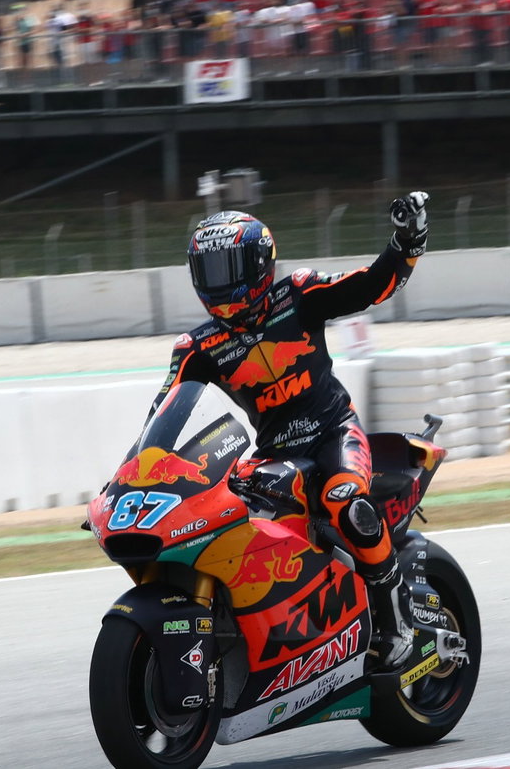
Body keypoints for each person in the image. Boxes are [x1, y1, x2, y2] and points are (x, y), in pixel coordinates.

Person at [146, 192, 432, 668]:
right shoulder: (199, 346)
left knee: (344, 501)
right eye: (212, 272)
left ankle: (396, 618)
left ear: (261, 264)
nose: (222, 283)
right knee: (232, 517)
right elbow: (164, 411)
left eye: (231, 268)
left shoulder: (298, 294)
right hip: (274, 452)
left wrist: (408, 240)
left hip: (334, 433)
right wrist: (146, 466)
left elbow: (371, 285)